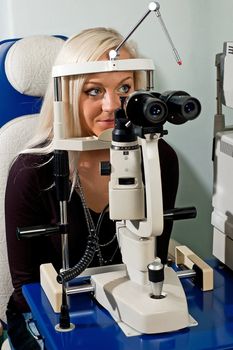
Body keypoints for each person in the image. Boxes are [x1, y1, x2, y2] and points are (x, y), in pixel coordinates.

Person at [5, 27, 179, 349]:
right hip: (50, 311)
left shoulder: (158, 158)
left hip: (130, 301)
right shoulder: (30, 173)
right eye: (94, 91)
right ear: (68, 95)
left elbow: (156, 253)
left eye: (125, 88)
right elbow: (26, 289)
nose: (113, 105)